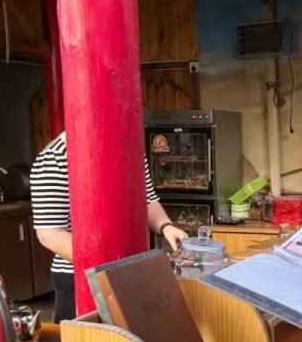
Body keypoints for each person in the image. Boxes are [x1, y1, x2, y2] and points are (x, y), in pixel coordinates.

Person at [31, 132, 187, 322]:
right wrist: (104, 265)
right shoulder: (54, 156)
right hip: (79, 276)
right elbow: (49, 233)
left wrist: (166, 226)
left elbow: (146, 200)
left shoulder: (130, 148)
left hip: (131, 270)